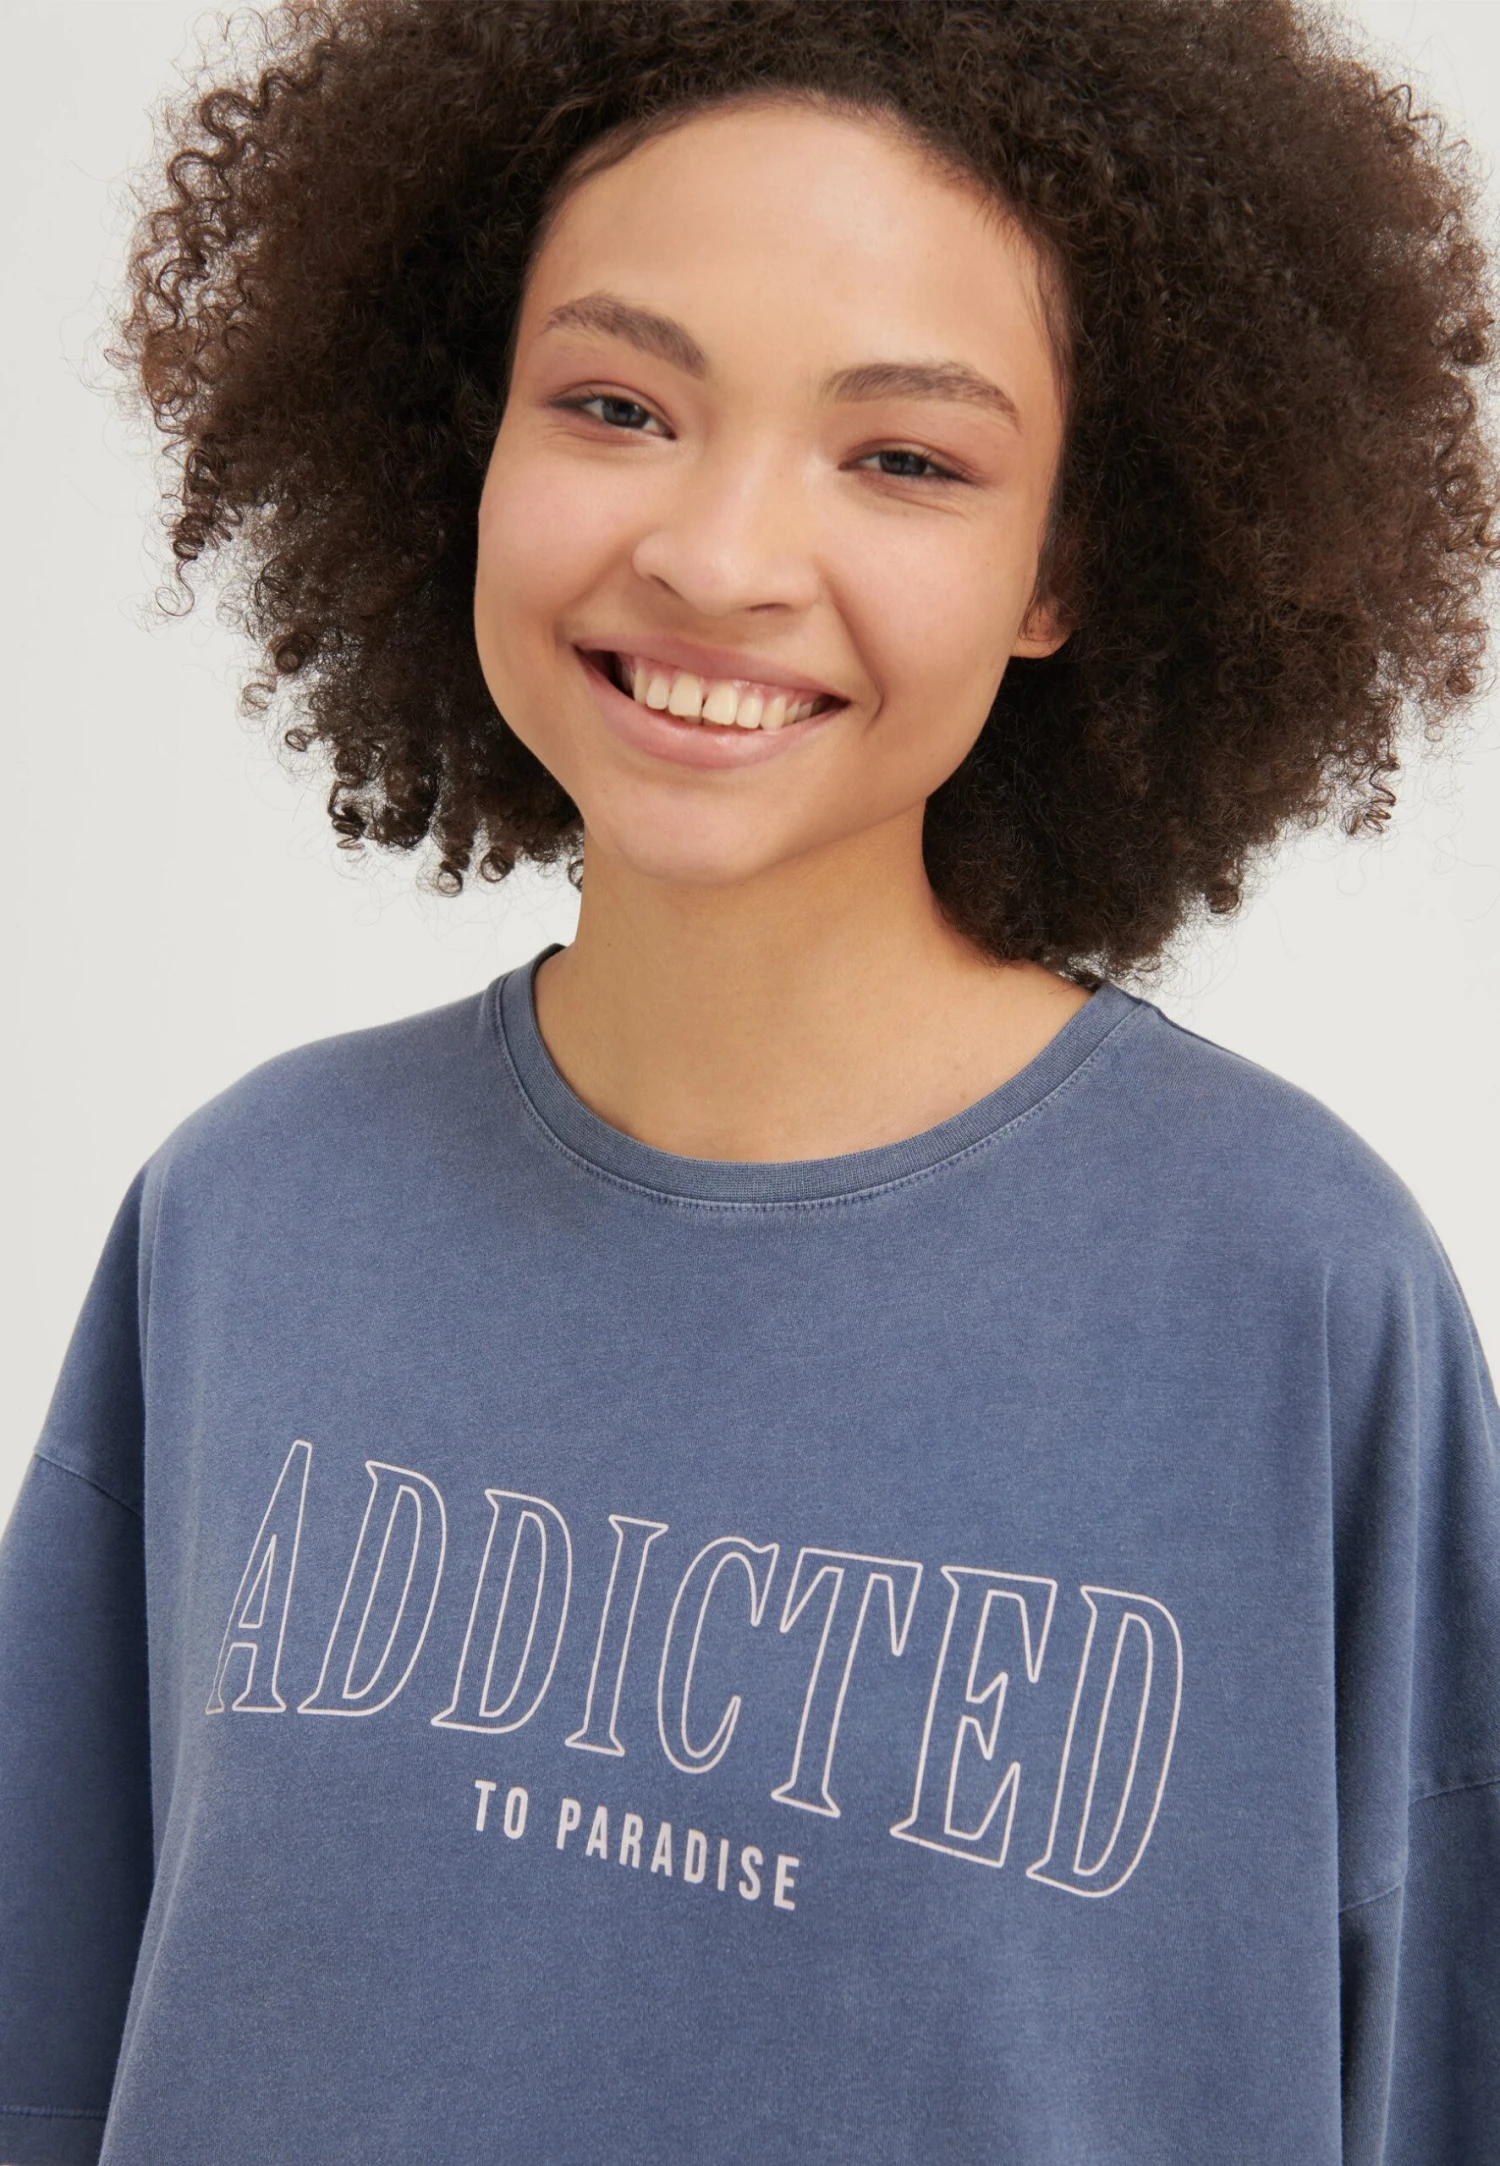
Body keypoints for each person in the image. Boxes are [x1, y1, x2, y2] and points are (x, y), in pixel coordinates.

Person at [1, 0, 1497, 2159]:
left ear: (1066, 563)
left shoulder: (1297, 1298)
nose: (717, 557)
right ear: (468, 438)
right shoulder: (245, 1216)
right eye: (617, 405)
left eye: (905, 458)